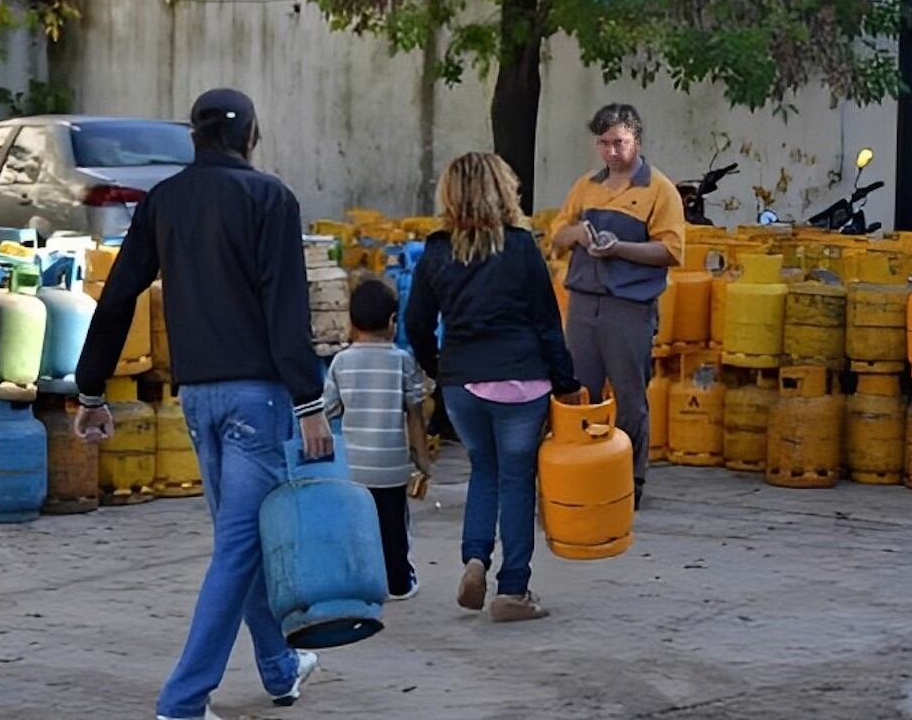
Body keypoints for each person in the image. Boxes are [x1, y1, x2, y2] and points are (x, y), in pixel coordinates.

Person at [74, 88, 332, 720]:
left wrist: (89, 389)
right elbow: (285, 309)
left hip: (197, 400)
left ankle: (278, 665)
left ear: (193, 137)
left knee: (238, 543)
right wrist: (310, 401)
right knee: (239, 549)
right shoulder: (270, 198)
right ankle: (183, 703)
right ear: (251, 136)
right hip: (258, 401)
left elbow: (118, 297)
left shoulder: (165, 201)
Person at [405, 152, 580, 623]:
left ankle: (475, 560)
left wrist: (438, 368)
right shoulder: (522, 247)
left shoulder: (437, 250)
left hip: (463, 383)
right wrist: (566, 385)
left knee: (483, 471)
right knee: (516, 480)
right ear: (503, 191)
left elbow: (416, 322)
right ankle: (513, 590)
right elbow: (547, 324)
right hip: (522, 381)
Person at [550, 103, 686, 510]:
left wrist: (620, 247)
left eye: (620, 143)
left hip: (630, 304)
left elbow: (671, 250)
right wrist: (577, 233)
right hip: (584, 302)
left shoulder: (659, 190)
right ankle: (584, 472)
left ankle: (630, 479)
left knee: (629, 394)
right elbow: (556, 235)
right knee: (581, 392)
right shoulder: (586, 186)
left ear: (637, 141)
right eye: (605, 143)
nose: (612, 152)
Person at [323, 277, 431, 601]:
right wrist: (421, 457)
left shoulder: (341, 362)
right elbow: (415, 413)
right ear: (392, 322)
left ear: (352, 323)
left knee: (358, 526)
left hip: (354, 466)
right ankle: (399, 583)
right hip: (392, 465)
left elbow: (328, 409)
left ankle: (360, 581)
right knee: (394, 526)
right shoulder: (402, 361)